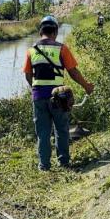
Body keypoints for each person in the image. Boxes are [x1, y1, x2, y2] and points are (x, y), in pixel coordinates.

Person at [23, 15, 94, 171]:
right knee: (61, 130)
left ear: (40, 31)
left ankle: (44, 166)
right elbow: (73, 72)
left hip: (38, 96)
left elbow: (28, 75)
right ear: (55, 31)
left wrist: (37, 90)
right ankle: (64, 163)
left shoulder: (31, 51)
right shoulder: (61, 48)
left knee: (43, 133)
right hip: (59, 97)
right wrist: (86, 86)